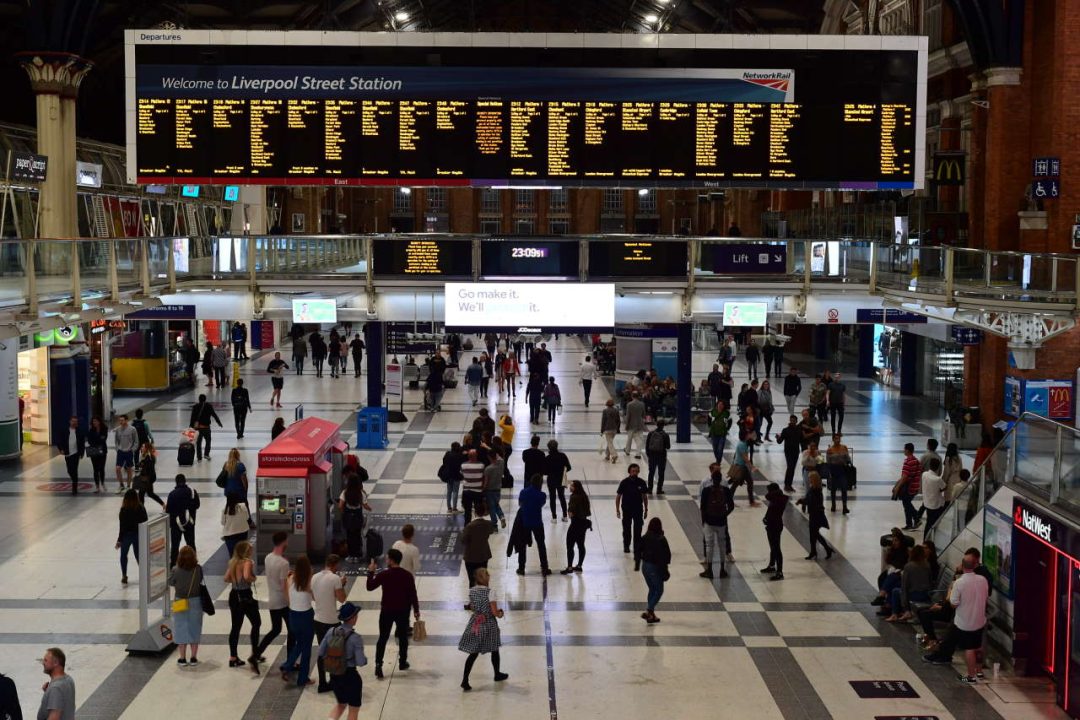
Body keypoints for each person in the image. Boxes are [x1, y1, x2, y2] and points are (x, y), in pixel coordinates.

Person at [923, 555, 990, 684]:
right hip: (980, 619)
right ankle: (979, 672)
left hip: (965, 621)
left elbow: (953, 603)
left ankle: (970, 676)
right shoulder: (983, 580)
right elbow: (985, 597)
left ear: (963, 566)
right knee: (978, 646)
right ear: (976, 565)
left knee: (970, 649)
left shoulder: (960, 582)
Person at [366, 548, 421, 678]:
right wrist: (417, 610)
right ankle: (402, 662)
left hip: (387, 610)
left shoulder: (384, 574)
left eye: (387, 557)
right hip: (403, 611)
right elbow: (413, 595)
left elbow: (370, 587)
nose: (386, 559)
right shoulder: (407, 575)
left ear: (390, 560)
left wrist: (370, 572)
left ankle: (379, 665)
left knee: (383, 638)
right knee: (402, 637)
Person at [458, 567, 508, 691]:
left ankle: (465, 679)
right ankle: (497, 674)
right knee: (494, 649)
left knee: (473, 653)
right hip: (489, 624)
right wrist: (501, 613)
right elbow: (494, 612)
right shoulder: (491, 592)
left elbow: (473, 607)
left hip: (475, 623)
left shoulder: (472, 591)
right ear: (485, 578)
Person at [318, 602, 367, 720]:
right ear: (353, 618)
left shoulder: (331, 631)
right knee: (353, 710)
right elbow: (361, 662)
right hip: (350, 676)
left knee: (340, 705)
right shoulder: (356, 638)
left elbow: (320, 652)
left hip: (334, 675)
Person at [255, 531, 294, 663]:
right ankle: (290, 661)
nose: (288, 543)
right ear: (283, 542)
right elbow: (284, 586)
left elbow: (274, 575)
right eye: (287, 541)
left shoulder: (268, 557)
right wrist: (290, 603)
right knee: (292, 632)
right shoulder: (283, 563)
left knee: (275, 629)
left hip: (272, 600)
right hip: (282, 601)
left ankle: (257, 653)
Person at [224, 540, 262, 673]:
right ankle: (255, 654)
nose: (252, 551)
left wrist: (236, 580)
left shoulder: (233, 562)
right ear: (246, 551)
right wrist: (253, 578)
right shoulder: (247, 562)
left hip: (234, 595)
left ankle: (233, 657)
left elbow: (226, 578)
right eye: (250, 549)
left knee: (235, 626)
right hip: (245, 596)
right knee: (256, 623)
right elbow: (246, 576)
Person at [280, 554, 317, 686]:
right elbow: (315, 598)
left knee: (300, 643)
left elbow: (286, 595)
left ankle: (287, 665)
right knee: (306, 648)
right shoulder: (309, 581)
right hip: (306, 616)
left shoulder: (290, 578)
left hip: (293, 615)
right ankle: (302, 678)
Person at [312, 554, 348, 692]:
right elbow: (342, 599)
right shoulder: (335, 579)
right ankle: (335, 681)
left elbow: (313, 596)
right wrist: (342, 584)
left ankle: (322, 683)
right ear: (335, 565)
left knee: (322, 652)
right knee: (335, 652)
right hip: (332, 621)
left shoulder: (314, 577)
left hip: (318, 619)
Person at [170, 546, 205, 666]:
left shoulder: (175, 569)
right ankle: (194, 657)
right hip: (195, 601)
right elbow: (200, 579)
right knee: (195, 628)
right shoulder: (198, 569)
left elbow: (170, 582)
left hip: (180, 601)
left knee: (180, 628)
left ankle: (182, 658)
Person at [885, 544, 933, 623]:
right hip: (925, 594)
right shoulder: (927, 565)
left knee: (895, 591)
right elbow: (930, 580)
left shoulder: (909, 566)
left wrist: (905, 606)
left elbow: (905, 586)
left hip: (914, 595)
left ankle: (896, 614)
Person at [699, 469, 733, 579]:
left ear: (712, 479)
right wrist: (724, 514)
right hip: (722, 521)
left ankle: (709, 570)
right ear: (721, 479)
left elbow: (702, 507)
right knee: (722, 544)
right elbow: (731, 506)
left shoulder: (706, 490)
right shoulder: (726, 490)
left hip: (709, 521)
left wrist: (704, 521)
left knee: (709, 545)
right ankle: (722, 570)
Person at [515, 475, 551, 575]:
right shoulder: (542, 495)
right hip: (537, 522)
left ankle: (521, 568)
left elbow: (520, 504)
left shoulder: (523, 492)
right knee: (541, 545)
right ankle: (544, 567)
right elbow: (541, 504)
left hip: (524, 522)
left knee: (523, 545)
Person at [616, 464, 650, 570]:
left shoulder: (641, 483)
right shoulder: (624, 483)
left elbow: (644, 497)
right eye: (633, 471)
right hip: (626, 509)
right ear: (629, 471)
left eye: (636, 471)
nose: (634, 473)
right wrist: (617, 510)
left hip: (638, 510)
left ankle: (637, 547)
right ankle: (626, 545)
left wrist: (646, 509)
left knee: (638, 529)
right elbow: (618, 496)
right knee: (626, 529)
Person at [639, 517, 671, 624]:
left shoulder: (645, 537)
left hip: (644, 567)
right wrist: (665, 569)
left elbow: (639, 549)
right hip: (654, 567)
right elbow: (667, 556)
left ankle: (651, 615)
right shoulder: (661, 539)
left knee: (652, 589)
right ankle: (649, 610)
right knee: (659, 590)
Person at [796, 472, 833, 560]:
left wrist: (802, 501)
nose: (808, 480)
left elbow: (811, 501)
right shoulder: (814, 488)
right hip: (815, 513)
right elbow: (809, 500)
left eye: (810, 478)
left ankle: (822, 550)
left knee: (814, 534)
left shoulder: (815, 490)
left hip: (816, 514)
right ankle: (816, 551)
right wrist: (802, 501)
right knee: (814, 534)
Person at [165, 474, 199, 567]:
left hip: (176, 525)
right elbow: (197, 505)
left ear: (176, 482)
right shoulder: (192, 492)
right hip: (189, 523)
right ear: (185, 481)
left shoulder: (172, 494)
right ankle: (193, 563)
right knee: (191, 543)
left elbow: (168, 510)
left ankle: (173, 564)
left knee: (175, 546)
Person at [462, 499, 496, 589]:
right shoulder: (488, 524)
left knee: (472, 580)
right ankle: (484, 599)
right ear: (484, 512)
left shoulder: (470, 526)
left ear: (474, 512)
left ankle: (473, 601)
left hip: (470, 557)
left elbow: (463, 540)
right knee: (483, 579)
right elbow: (491, 531)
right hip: (483, 556)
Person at [116, 489, 147, 584]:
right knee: (139, 555)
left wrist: (119, 540)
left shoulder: (123, 510)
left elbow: (122, 527)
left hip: (126, 536)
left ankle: (124, 575)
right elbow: (145, 521)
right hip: (138, 535)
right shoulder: (140, 507)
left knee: (123, 556)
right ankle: (143, 575)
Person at [761, 483, 790, 580]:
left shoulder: (777, 499)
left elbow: (767, 497)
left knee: (776, 548)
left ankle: (780, 571)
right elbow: (770, 510)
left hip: (774, 525)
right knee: (773, 547)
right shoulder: (778, 498)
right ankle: (772, 565)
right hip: (773, 524)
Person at [37, 648, 75, 720]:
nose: (43, 663)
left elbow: (54, 717)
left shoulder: (56, 688)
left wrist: (52, 691)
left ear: (55, 663)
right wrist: (48, 693)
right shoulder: (68, 679)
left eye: (46, 660)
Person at [188, 394, 222, 462]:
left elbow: (193, 417)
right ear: (205, 399)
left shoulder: (195, 406)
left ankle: (199, 458)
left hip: (198, 428)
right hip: (206, 428)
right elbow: (214, 414)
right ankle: (206, 454)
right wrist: (219, 422)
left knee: (198, 443)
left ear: (199, 399)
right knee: (208, 441)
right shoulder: (209, 406)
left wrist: (191, 426)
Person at [897, 442, 923, 530]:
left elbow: (905, 476)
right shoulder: (916, 460)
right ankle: (909, 524)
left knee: (907, 504)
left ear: (907, 450)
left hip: (908, 487)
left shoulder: (908, 461)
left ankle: (916, 518)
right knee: (906, 504)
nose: (903, 451)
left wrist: (897, 487)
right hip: (915, 486)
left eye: (904, 449)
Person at [545, 439, 571, 521]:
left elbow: (544, 471)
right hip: (561, 479)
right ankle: (565, 516)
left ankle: (554, 517)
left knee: (552, 498)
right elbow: (569, 467)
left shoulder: (547, 458)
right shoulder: (562, 456)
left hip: (551, 480)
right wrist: (562, 471)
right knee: (562, 497)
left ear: (549, 448)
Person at [57, 415, 84, 496]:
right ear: (70, 421)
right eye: (73, 421)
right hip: (68, 453)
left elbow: (81, 443)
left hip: (75, 454)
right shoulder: (65, 431)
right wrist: (61, 449)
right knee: (69, 470)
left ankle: (74, 488)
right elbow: (59, 441)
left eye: (76, 421)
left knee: (74, 470)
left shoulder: (79, 431)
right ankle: (74, 480)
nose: (74, 423)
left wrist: (82, 453)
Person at [825, 433, 851, 514]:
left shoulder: (844, 447)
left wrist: (846, 461)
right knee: (833, 489)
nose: (837, 440)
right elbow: (828, 462)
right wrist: (829, 472)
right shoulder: (830, 450)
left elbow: (848, 459)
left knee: (844, 488)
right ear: (833, 439)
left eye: (838, 438)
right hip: (834, 470)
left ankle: (844, 506)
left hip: (842, 469)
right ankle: (833, 505)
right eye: (835, 438)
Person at [775, 415, 802, 493]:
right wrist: (777, 437)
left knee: (792, 468)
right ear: (790, 421)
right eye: (791, 420)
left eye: (794, 420)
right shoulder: (785, 430)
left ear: (796, 421)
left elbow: (802, 440)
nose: (792, 421)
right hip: (788, 452)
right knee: (790, 467)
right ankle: (787, 485)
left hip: (796, 451)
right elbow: (780, 441)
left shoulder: (799, 430)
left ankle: (789, 484)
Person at [921, 458, 947, 532]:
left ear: (930, 465)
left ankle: (928, 536)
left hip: (927, 502)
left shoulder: (924, 474)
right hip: (935, 505)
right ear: (938, 467)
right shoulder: (937, 479)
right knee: (932, 523)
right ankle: (928, 537)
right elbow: (945, 487)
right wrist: (939, 490)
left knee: (929, 521)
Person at [644, 421, 671, 495]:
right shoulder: (665, 435)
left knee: (651, 473)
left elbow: (647, 445)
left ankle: (649, 489)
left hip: (652, 456)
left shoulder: (651, 433)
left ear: (656, 425)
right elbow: (668, 447)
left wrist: (648, 454)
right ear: (663, 426)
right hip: (661, 456)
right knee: (661, 473)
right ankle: (659, 489)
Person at [135, 442, 164, 507]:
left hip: (147, 478)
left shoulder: (148, 457)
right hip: (149, 477)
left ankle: (141, 508)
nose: (141, 448)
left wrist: (141, 465)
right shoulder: (147, 456)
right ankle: (163, 504)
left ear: (146, 448)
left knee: (141, 494)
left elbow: (147, 467)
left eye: (143, 447)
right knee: (150, 493)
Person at [483, 453, 507, 529]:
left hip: (489, 490)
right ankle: (501, 516)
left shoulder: (488, 469)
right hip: (498, 489)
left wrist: (483, 489)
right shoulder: (501, 464)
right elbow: (499, 457)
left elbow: (486, 482)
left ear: (489, 457)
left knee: (491, 508)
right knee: (496, 505)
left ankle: (494, 525)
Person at [460, 449, 486, 523]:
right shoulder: (481, 465)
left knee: (467, 510)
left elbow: (462, 475)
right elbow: (484, 476)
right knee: (479, 510)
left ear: (468, 456)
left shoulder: (463, 465)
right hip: (478, 491)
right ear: (476, 456)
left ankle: (467, 525)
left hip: (466, 491)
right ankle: (478, 525)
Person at [86, 416, 109, 493]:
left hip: (102, 450)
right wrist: (98, 440)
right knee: (95, 469)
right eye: (93, 421)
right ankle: (97, 486)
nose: (94, 422)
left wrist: (96, 440)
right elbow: (89, 440)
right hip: (94, 451)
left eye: (96, 421)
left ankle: (102, 483)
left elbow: (104, 439)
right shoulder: (91, 430)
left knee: (101, 468)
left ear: (99, 421)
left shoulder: (104, 429)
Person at [708, 400, 731, 465]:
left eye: (722, 404)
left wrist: (727, 428)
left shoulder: (727, 413)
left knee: (720, 449)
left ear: (724, 406)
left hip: (722, 434)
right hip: (714, 433)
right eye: (719, 404)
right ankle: (718, 459)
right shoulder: (712, 412)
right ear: (717, 405)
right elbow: (709, 420)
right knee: (715, 448)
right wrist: (710, 427)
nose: (720, 406)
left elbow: (730, 421)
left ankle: (718, 461)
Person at [623, 393, 646, 458]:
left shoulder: (629, 404)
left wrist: (626, 425)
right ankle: (638, 454)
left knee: (629, 439)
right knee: (639, 440)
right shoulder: (642, 404)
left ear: (632, 396)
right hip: (639, 424)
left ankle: (627, 451)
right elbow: (644, 415)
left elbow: (628, 416)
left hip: (631, 424)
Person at [600, 399, 621, 463]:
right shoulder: (616, 411)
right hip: (614, 429)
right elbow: (618, 421)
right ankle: (607, 455)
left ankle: (614, 455)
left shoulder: (605, 411)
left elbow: (603, 421)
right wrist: (618, 429)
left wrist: (602, 430)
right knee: (610, 442)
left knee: (610, 443)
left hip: (607, 429)